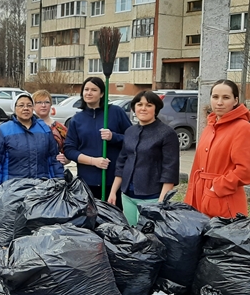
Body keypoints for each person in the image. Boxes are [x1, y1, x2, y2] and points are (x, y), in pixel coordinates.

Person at [108, 91, 180, 225]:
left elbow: (170, 170)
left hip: (152, 197)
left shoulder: (166, 134)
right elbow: (121, 163)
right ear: (134, 108)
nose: (143, 108)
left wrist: (161, 202)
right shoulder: (130, 131)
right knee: (131, 233)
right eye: (139, 104)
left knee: (148, 237)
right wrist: (113, 192)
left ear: (156, 108)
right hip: (127, 195)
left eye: (149, 105)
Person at [184, 79, 250, 218]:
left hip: (225, 199)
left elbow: (245, 170)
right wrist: (190, 196)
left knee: (221, 239)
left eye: (226, 97)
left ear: (235, 100)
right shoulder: (210, 126)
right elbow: (197, 165)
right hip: (200, 195)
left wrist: (217, 187)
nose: (219, 102)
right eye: (215, 97)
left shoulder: (242, 127)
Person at [64, 77, 132, 208]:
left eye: (94, 90)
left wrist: (113, 137)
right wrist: (93, 161)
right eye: (86, 89)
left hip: (113, 181)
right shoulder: (77, 119)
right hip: (87, 182)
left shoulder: (115, 112)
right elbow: (69, 150)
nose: (89, 93)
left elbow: (132, 140)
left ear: (102, 94)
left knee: (114, 221)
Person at [0, 93, 64, 194]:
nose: (25, 108)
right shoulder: (4, 130)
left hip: (41, 190)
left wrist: (60, 184)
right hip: (12, 191)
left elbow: (54, 160)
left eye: (29, 105)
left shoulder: (45, 129)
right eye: (21, 105)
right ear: (14, 108)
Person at [32, 90, 69, 165]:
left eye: (47, 102)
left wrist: (65, 159)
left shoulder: (60, 128)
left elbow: (69, 153)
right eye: (39, 102)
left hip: (54, 171)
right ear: (33, 106)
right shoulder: (26, 127)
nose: (43, 105)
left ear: (51, 105)